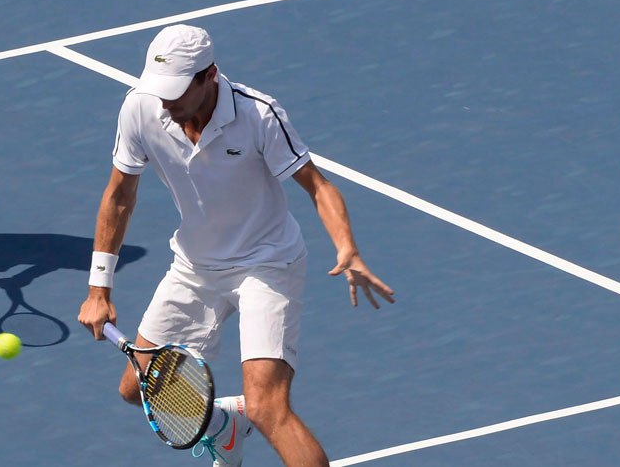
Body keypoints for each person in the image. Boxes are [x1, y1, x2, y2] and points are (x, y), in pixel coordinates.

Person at [77, 25, 394, 467]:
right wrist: (99, 289)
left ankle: (247, 418)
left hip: (267, 265)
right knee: (136, 391)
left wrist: (348, 247)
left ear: (209, 76)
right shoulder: (142, 108)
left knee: (267, 408)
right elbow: (118, 196)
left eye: (176, 91)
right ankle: (223, 427)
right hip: (195, 267)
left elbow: (318, 187)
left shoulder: (259, 115)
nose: (165, 104)